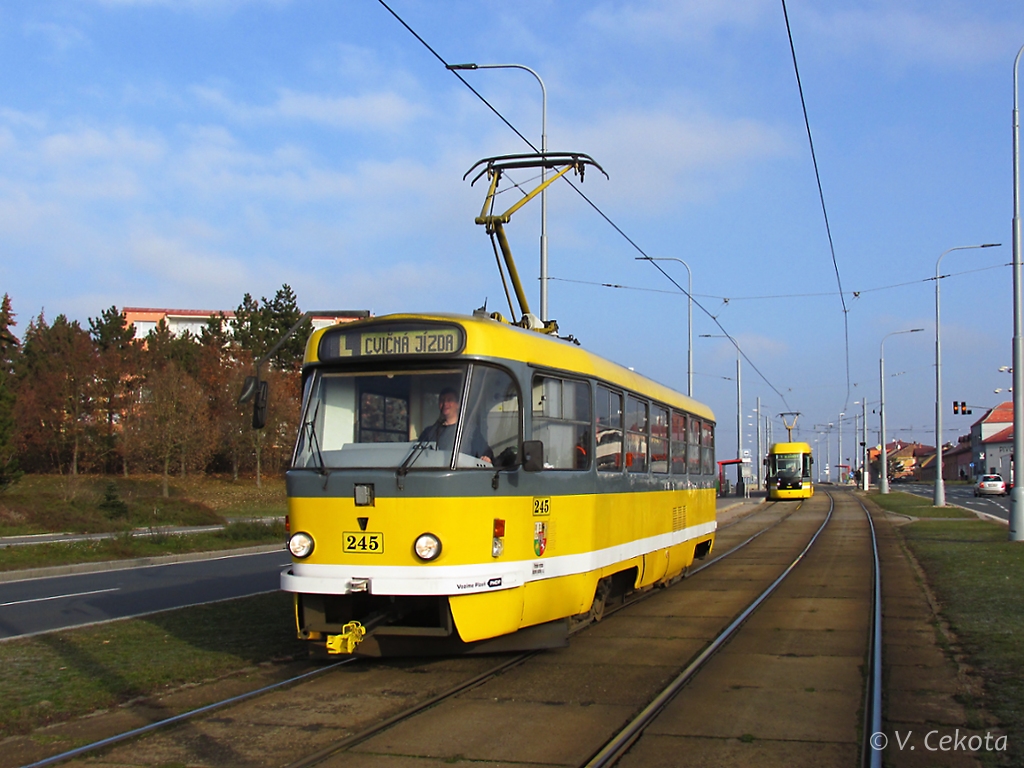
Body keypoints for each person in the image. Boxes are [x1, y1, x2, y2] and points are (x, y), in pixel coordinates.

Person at [420, 387, 493, 464]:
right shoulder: (429, 432)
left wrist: (487, 459)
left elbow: (486, 455)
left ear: (458, 405)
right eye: (442, 400)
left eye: (449, 400)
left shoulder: (470, 431)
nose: (445, 404)